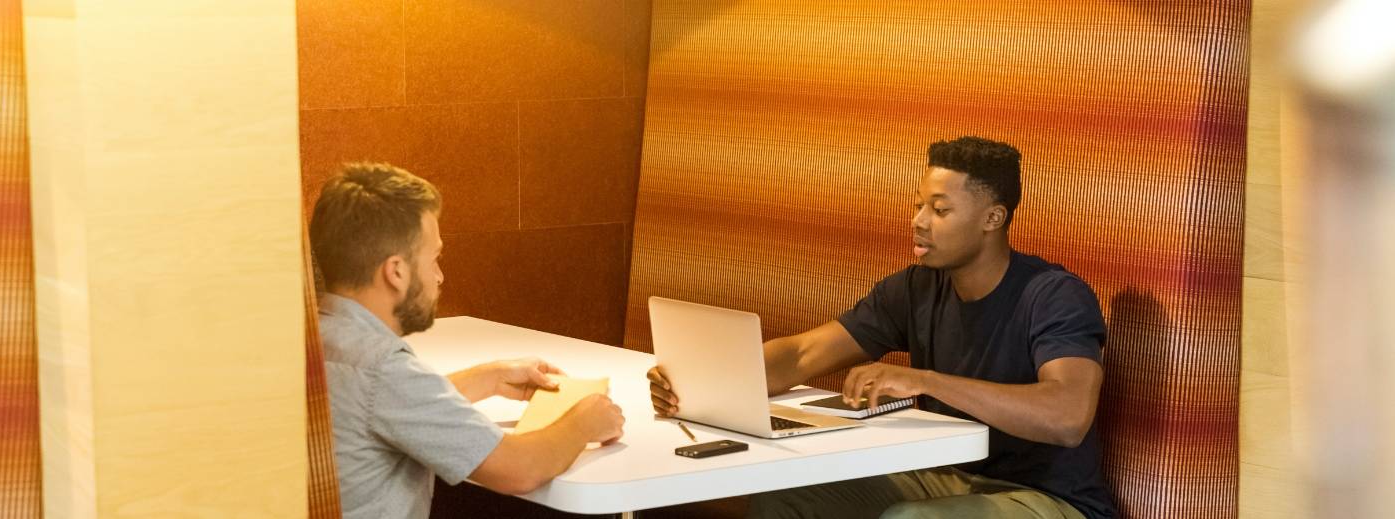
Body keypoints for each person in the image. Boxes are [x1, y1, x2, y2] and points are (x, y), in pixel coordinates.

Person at [647, 137, 1116, 518]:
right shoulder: (917, 287)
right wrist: (697, 379)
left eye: (940, 210)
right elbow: (804, 355)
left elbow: (1067, 417)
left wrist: (926, 381)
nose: (918, 222)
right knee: (786, 496)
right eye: (919, 206)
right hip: (943, 473)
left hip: (1047, 500)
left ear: (993, 218)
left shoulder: (1053, 295)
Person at [311, 162, 625, 519]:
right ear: (396, 272)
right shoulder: (385, 368)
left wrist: (486, 378)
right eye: (434, 258)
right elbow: (518, 469)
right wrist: (585, 420)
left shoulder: (317, 341)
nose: (439, 276)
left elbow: (381, 405)